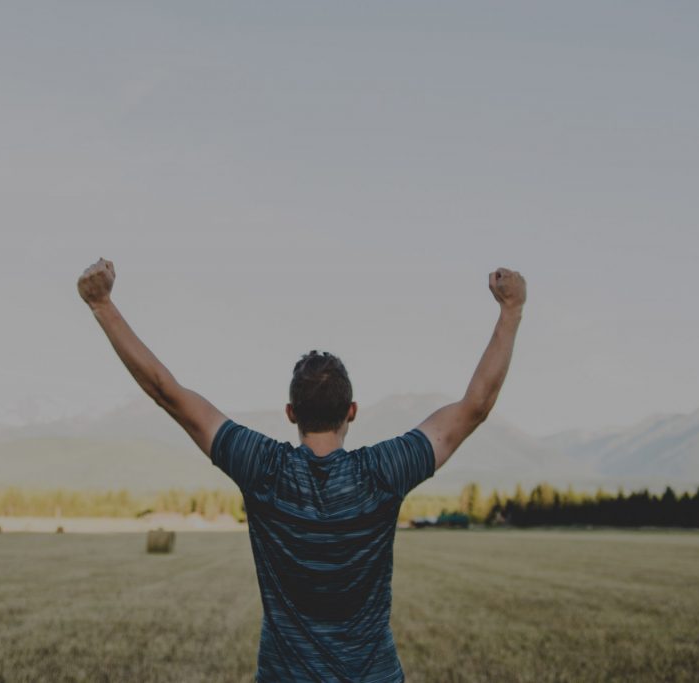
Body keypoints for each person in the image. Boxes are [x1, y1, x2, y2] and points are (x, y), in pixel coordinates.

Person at [77, 258, 526, 682]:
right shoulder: (383, 472)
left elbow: (166, 392)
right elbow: (476, 406)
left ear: (291, 412)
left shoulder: (262, 468)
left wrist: (103, 305)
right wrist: (511, 310)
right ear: (351, 410)